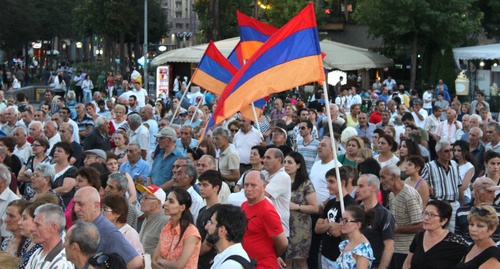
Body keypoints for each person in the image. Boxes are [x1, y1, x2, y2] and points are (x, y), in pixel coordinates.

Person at [73, 187, 143, 268]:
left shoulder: (107, 230)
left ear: (96, 206)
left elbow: (135, 262)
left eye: (81, 204)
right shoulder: (88, 226)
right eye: (74, 204)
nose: (76, 209)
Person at [241, 170, 288, 268]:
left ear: (264, 186)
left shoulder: (267, 212)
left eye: (253, 185)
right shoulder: (244, 205)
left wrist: (273, 255)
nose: (248, 188)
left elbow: (283, 243)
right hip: (247, 262)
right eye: (246, 185)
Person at [379, 165, 423, 268]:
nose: (381, 181)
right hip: (394, 248)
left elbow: (420, 225)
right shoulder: (392, 194)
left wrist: (395, 229)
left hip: (406, 251)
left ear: (393, 177)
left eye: (383, 177)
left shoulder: (409, 195)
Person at [403, 200, 468, 269]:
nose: (426, 218)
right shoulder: (419, 236)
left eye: (432, 215)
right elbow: (407, 263)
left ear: (443, 221)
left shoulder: (455, 242)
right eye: (425, 213)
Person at [315, 166, 358, 268]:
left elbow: (337, 232)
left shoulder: (350, 204)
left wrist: (326, 224)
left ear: (342, 183)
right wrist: (331, 225)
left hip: (340, 257)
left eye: (332, 182)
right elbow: (317, 228)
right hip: (325, 254)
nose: (328, 186)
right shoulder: (330, 203)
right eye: (327, 182)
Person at [152, 188, 201, 269]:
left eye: (171, 201)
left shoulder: (191, 232)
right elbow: (154, 261)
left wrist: (161, 261)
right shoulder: (166, 228)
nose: (165, 204)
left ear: (182, 207)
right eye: (167, 200)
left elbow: (180, 265)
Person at [284, 152, 318, 269]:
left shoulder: (305, 184)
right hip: (284, 226)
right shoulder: (282, 181)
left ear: (298, 165)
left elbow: (315, 207)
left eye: (290, 162)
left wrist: (297, 207)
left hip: (300, 228)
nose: (286, 165)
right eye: (284, 162)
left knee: (300, 261)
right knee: (285, 260)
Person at [422, 140, 463, 232]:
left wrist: (463, 203)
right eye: (446, 151)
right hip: (437, 204)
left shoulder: (455, 165)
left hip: (453, 204)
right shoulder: (429, 166)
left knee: (452, 233)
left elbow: (459, 185)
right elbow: (421, 182)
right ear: (438, 153)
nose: (450, 153)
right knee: (435, 230)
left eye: (451, 150)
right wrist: (427, 186)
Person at [357, 174, 395, 269]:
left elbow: (389, 246)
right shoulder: (355, 212)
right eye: (357, 186)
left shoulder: (384, 214)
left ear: (373, 187)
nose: (357, 190)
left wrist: (381, 267)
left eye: (361, 186)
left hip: (373, 264)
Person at [25, 204, 74, 268]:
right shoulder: (37, 253)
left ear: (54, 228)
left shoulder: (62, 263)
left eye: (38, 225)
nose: (32, 229)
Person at [455, 177, 500, 245]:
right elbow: (458, 235)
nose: (494, 196)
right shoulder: (462, 211)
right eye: (490, 192)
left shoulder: (499, 211)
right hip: (466, 251)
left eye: (494, 192)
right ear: (478, 192)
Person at [263, 148, 291, 238]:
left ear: (279, 159)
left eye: (268, 158)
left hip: (278, 230)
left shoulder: (282, 176)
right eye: (264, 158)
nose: (264, 161)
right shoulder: (264, 174)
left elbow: (261, 195)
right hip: (266, 226)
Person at [136, 184, 169, 256]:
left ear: (158, 202)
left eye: (146, 198)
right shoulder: (147, 217)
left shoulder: (166, 221)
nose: (141, 201)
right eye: (141, 197)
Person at [51, 142, 77, 206]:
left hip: (62, 204)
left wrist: (47, 194)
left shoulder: (72, 170)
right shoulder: (49, 167)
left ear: (67, 154)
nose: (55, 153)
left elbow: (65, 189)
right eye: (55, 150)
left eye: (59, 151)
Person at [452, 140, 476, 205]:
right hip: (451, 196)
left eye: (459, 151)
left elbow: (464, 186)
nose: (456, 153)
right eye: (454, 150)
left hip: (464, 196)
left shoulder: (469, 166)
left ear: (465, 151)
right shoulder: (451, 164)